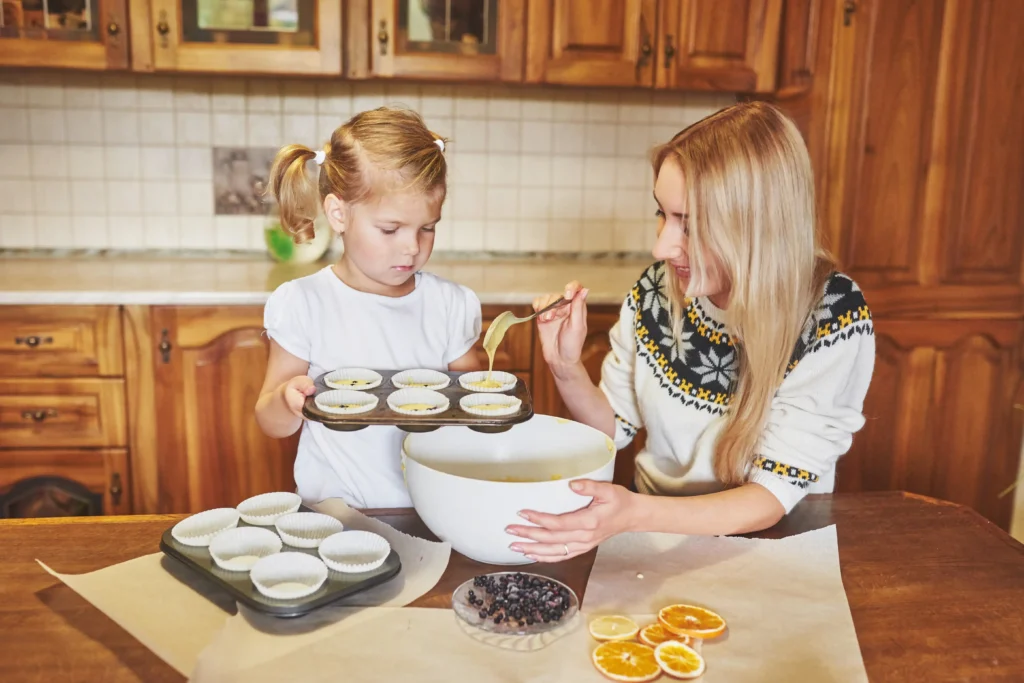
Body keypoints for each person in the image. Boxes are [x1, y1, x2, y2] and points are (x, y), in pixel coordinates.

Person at [508, 102, 875, 562]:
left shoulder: (830, 314)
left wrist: (635, 513)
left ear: (757, 226)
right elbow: (613, 430)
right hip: (654, 535)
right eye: (662, 213)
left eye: (692, 223)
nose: (660, 245)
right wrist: (565, 367)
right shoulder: (656, 292)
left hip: (775, 544)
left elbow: (770, 496)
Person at [255, 107, 481, 509]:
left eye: (427, 227)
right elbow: (269, 422)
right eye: (390, 229)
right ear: (339, 214)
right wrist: (288, 400)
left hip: (430, 511)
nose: (412, 246)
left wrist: (480, 383)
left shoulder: (450, 305)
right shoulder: (305, 303)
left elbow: (469, 414)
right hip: (333, 514)